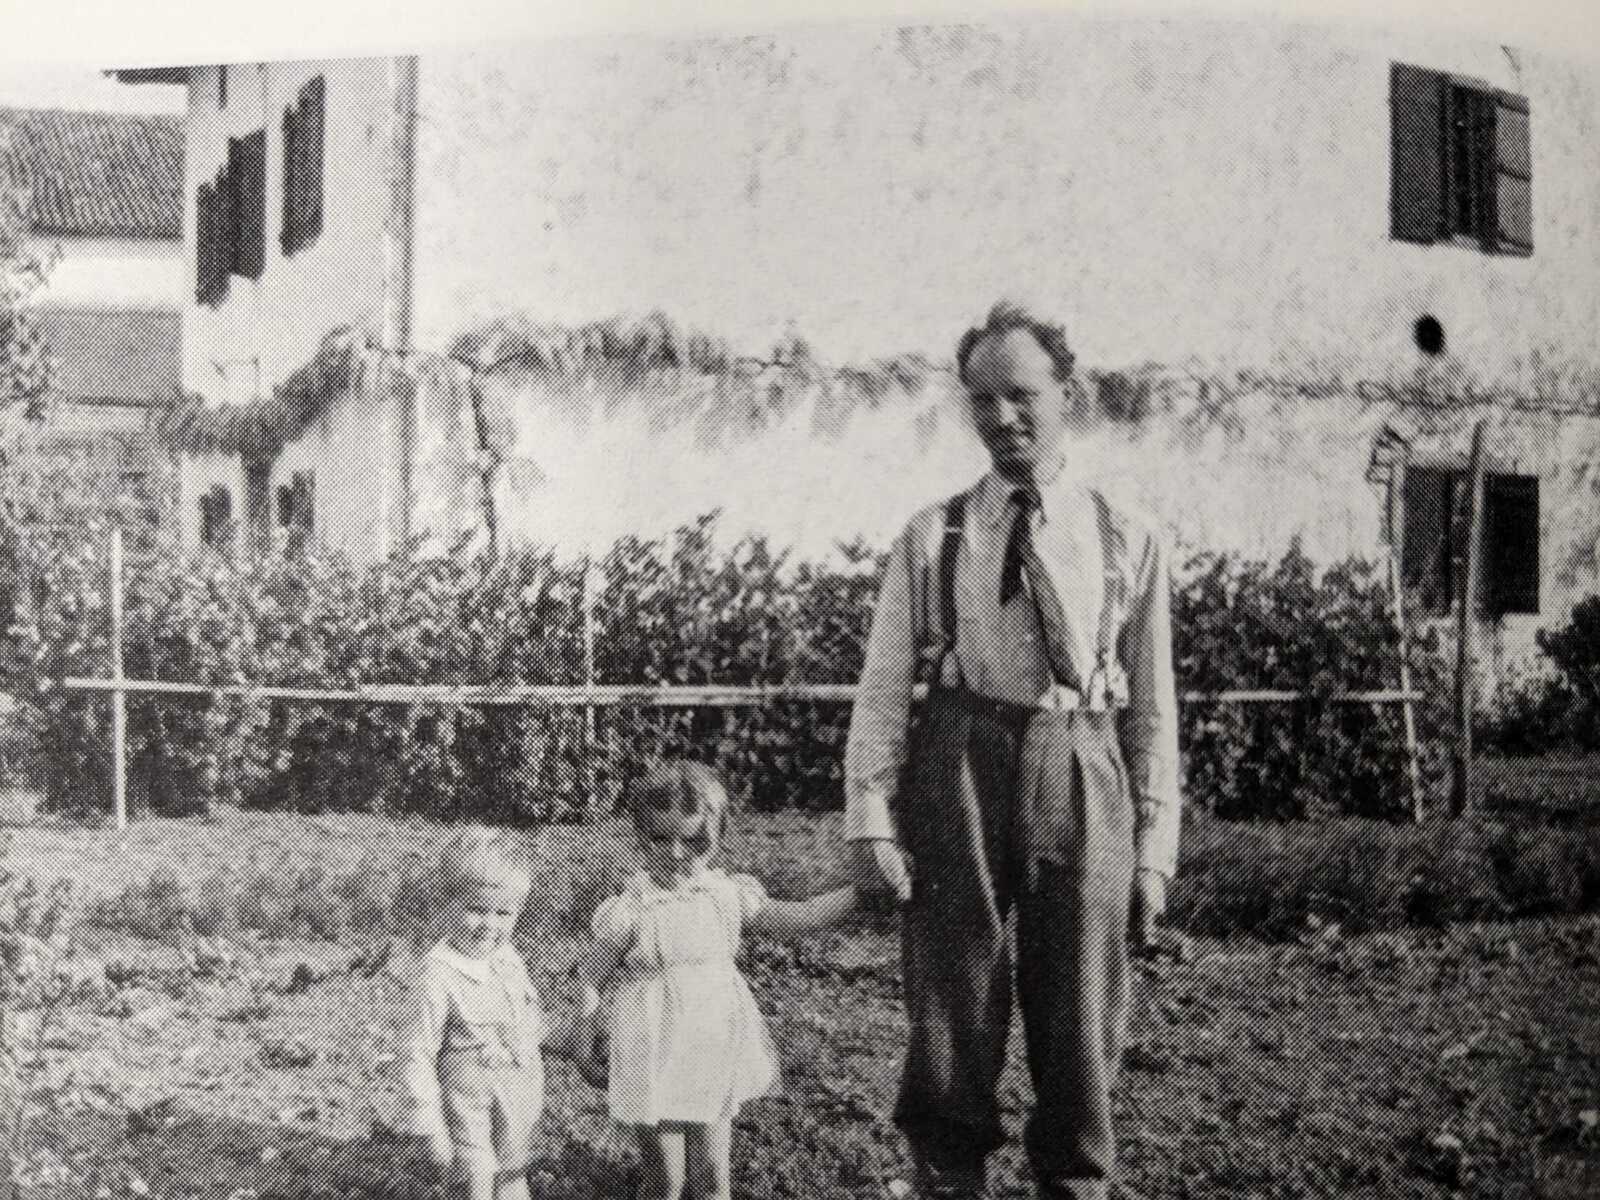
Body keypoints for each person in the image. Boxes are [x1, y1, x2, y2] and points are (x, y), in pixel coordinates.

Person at [844, 301, 1181, 1200]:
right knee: (955, 999)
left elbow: (1153, 707)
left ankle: (1075, 1180)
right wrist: (871, 818)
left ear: (1069, 395)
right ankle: (947, 1177)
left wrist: (1154, 853)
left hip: (1084, 760)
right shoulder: (934, 533)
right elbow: (883, 688)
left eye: (1022, 394)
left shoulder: (1127, 534)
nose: (1002, 418)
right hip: (960, 760)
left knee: (1081, 1008)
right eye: (981, 400)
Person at [579, 760, 859, 1200]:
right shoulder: (631, 909)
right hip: (651, 1050)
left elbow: (804, 916)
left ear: (717, 840)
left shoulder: (727, 895)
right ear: (639, 836)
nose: (675, 853)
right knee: (664, 1181)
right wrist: (586, 1032)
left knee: (712, 1177)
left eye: (693, 841)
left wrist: (865, 888)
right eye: (660, 839)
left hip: (710, 1045)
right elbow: (589, 978)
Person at [395, 831, 552, 1200]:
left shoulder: (508, 961)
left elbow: (528, 1019)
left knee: (513, 1178)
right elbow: (416, 1053)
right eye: (476, 910)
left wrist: (558, 1037)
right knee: (475, 1184)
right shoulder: (438, 975)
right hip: (467, 1112)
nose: (489, 926)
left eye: (503, 914)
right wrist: (428, 1123)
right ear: (445, 903)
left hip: (516, 1102)